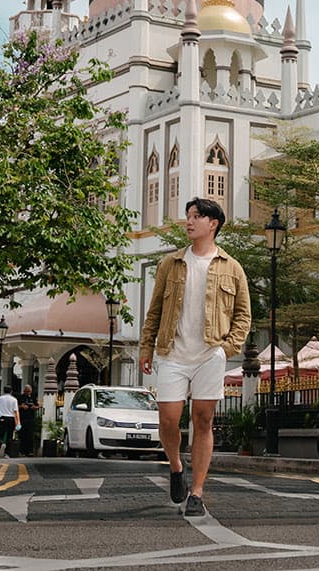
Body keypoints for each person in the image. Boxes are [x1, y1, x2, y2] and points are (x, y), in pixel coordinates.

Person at [139, 196, 252, 518]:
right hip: (173, 353)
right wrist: (146, 347)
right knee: (168, 420)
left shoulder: (232, 267)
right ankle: (176, 467)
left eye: (196, 216)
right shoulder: (170, 263)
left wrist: (225, 349)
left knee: (203, 421)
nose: (189, 222)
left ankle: (197, 492)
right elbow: (155, 310)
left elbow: (244, 315)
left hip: (209, 353)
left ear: (213, 223)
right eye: (188, 216)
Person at [0, 387, 19, 457]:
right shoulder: (14, 399)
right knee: (9, 437)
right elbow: (16, 412)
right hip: (11, 419)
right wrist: (18, 422)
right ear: (11, 391)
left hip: (2, 418)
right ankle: (7, 453)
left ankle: (2, 443)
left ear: (4, 391)